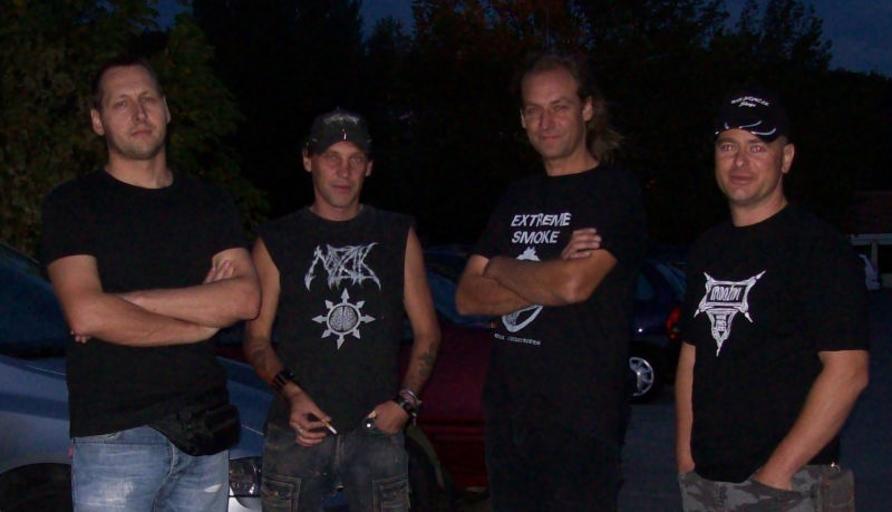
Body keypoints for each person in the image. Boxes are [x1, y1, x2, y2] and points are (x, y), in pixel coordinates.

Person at [41, 55, 260, 511]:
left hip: (205, 431)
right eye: (120, 103)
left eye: (147, 99)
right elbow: (86, 313)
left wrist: (129, 302)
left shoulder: (209, 203)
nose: (138, 113)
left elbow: (245, 297)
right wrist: (199, 324)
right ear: (98, 121)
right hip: (116, 437)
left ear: (166, 109)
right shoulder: (73, 204)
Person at [455, 52, 646, 511]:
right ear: (522, 119)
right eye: (534, 110)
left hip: (580, 421)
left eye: (559, 106)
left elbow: (572, 286)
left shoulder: (615, 192)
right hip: (509, 416)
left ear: (587, 109)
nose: (546, 122)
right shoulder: (516, 196)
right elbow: (466, 297)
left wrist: (499, 266)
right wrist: (552, 267)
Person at [675, 87, 869, 511]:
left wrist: (776, 475)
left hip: (790, 485)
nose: (740, 161)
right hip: (707, 483)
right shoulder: (707, 249)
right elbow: (693, 354)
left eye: (757, 147)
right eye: (728, 146)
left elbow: (849, 371)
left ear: (786, 158)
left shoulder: (818, 248)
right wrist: (686, 459)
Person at [244, 109, 441, 511]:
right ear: (309, 161)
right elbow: (256, 339)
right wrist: (293, 395)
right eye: (332, 157)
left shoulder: (396, 235)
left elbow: (428, 333)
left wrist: (405, 403)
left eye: (355, 159)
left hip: (376, 432)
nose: (343, 171)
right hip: (299, 433)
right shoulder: (277, 239)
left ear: (369, 167)